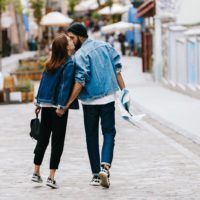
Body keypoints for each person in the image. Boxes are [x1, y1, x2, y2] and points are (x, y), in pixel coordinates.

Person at [58, 23, 127, 188]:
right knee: (109, 132)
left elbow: (80, 82)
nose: (71, 42)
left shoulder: (80, 55)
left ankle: (96, 174)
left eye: (73, 38)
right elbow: (117, 71)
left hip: (89, 101)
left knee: (91, 136)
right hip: (108, 98)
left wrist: (66, 104)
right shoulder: (106, 46)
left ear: (81, 36)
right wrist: (124, 92)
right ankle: (105, 167)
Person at [32, 33, 79, 189]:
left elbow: (43, 83)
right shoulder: (69, 63)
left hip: (45, 106)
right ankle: (51, 177)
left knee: (43, 139)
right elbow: (65, 87)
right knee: (57, 141)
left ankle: (36, 172)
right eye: (68, 40)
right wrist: (61, 106)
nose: (71, 41)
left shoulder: (50, 63)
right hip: (58, 108)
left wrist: (38, 101)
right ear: (65, 47)